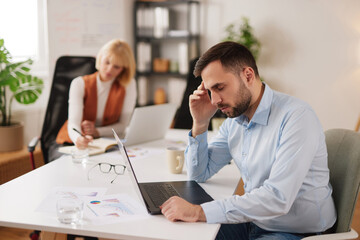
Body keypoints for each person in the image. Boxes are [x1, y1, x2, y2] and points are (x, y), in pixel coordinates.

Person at [160, 41, 336, 239]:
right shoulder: (235, 122)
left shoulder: (297, 117)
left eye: (220, 87)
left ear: (248, 76)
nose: (215, 100)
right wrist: (200, 124)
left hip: (296, 231)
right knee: (184, 234)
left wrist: (198, 212)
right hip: (252, 221)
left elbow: (277, 198)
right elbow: (200, 174)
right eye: (210, 91)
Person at [53, 39, 136, 161]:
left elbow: (122, 126)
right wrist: (78, 139)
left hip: (105, 142)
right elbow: (73, 124)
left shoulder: (128, 85)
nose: (109, 69)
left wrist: (97, 131)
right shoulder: (79, 83)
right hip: (72, 141)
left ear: (124, 69)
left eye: (116, 67)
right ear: (100, 58)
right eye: (107, 62)